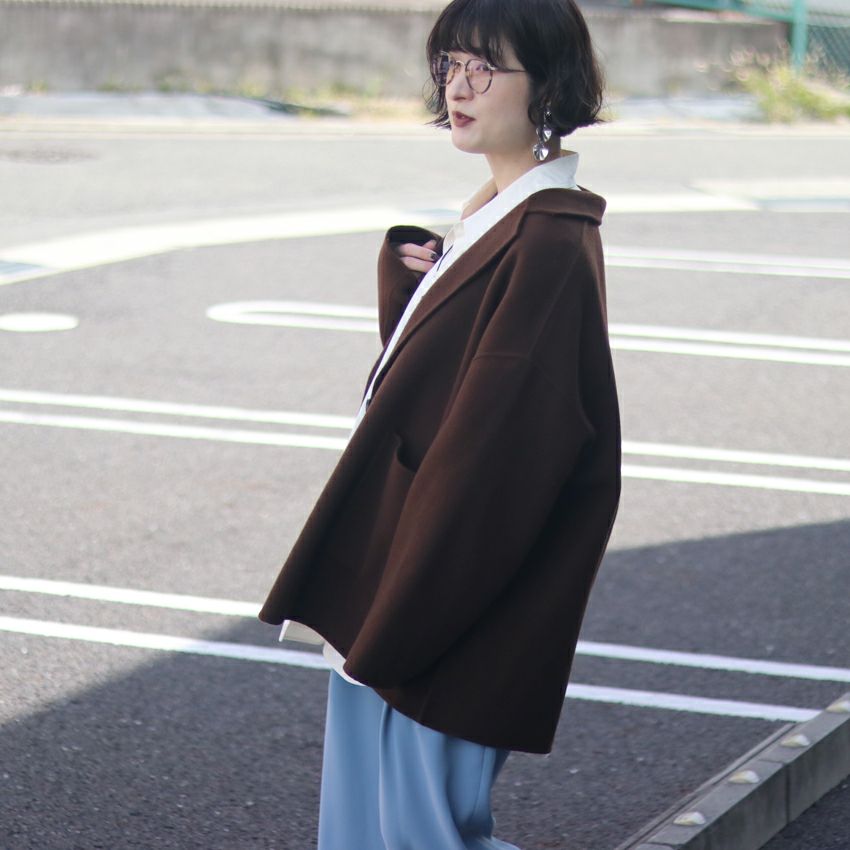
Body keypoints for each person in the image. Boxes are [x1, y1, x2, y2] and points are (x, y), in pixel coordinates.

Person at [258, 0, 621, 846]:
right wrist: (415, 286)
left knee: (417, 833)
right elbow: (452, 393)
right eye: (450, 64)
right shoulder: (502, 215)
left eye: (484, 68)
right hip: (413, 583)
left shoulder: (546, 242)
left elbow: (497, 462)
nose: (458, 87)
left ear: (549, 85)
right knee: (369, 830)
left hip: (439, 606)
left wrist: (401, 621)